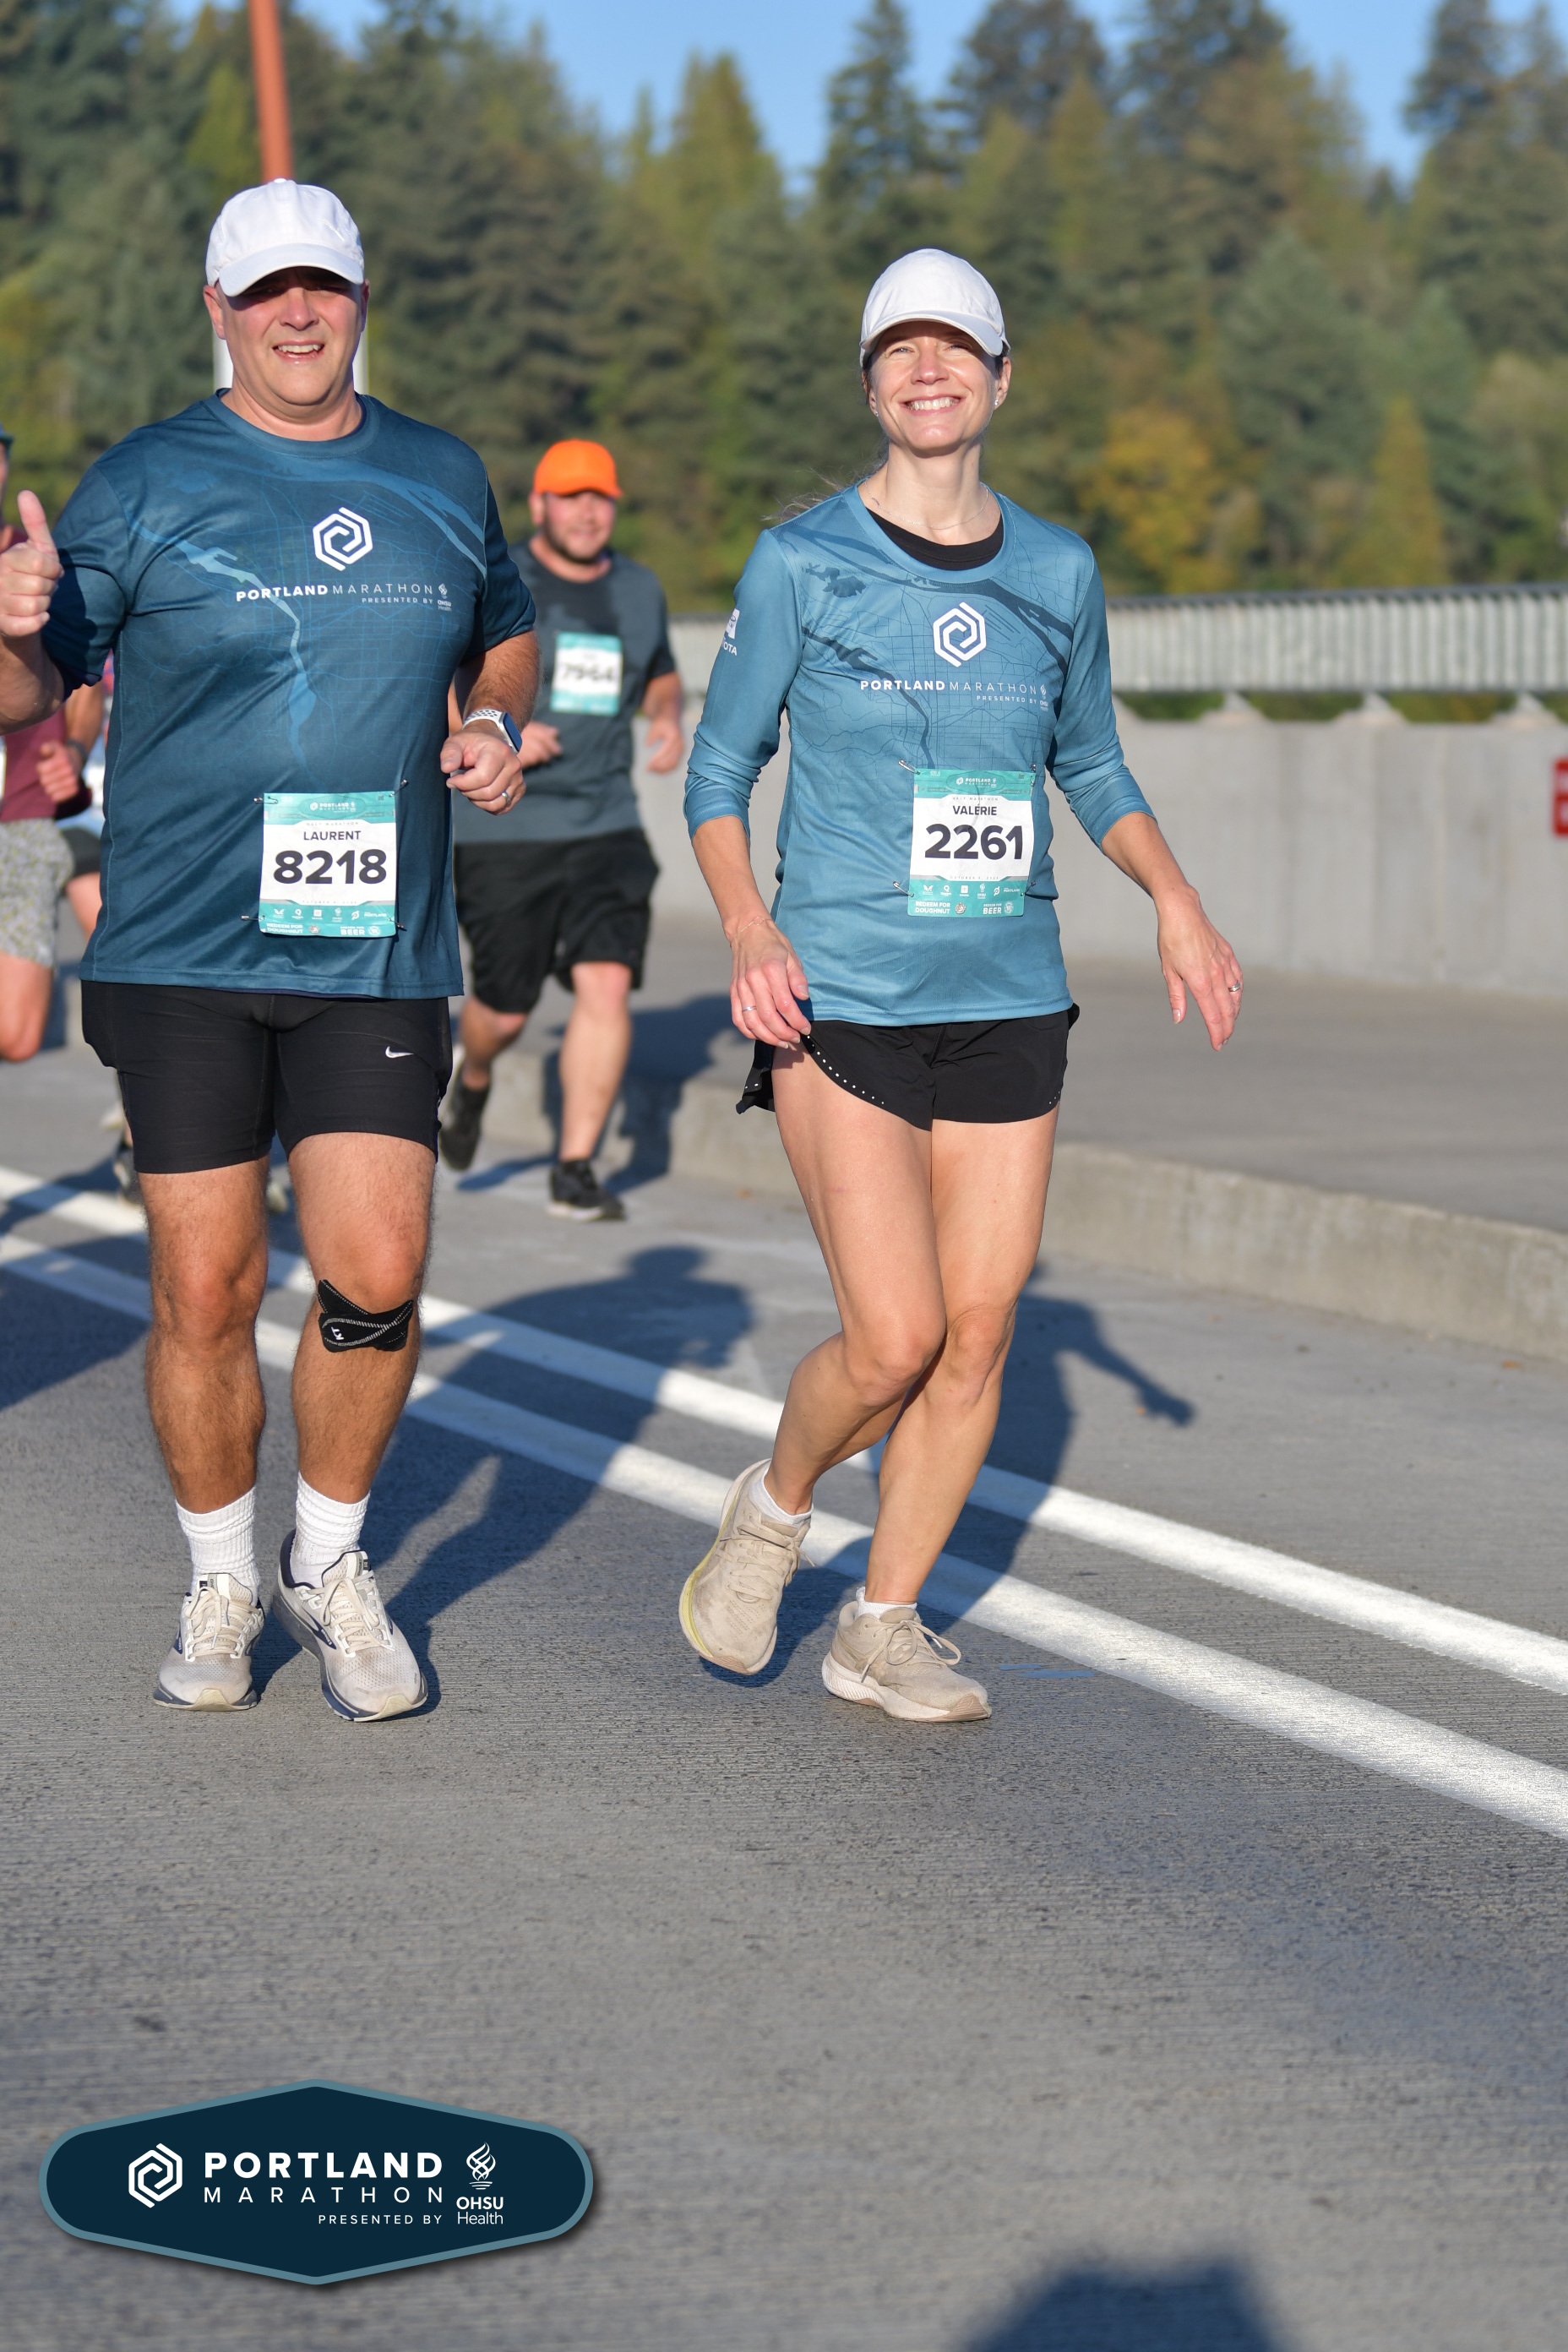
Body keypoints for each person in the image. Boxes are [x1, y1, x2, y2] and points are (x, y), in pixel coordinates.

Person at [677, 249, 1242, 1723]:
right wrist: (748, 929)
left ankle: (882, 1623)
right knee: (895, 1337)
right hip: (843, 996)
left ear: (1000, 375)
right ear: (871, 384)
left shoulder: (1056, 570)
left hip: (1007, 991)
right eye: (899, 350)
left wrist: (1175, 897)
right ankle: (776, 1504)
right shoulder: (800, 561)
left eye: (956, 349)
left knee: (979, 1332)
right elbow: (719, 771)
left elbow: (1091, 759)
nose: (928, 372)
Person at [0, 180, 536, 1718]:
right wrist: (11, 621)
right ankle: (221, 1575)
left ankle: (330, 1559)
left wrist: (497, 719)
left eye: (323, 286)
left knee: (376, 1273)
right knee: (208, 1286)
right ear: (218, 313)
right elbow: (30, 697)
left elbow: (502, 628)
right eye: (263, 291)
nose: (297, 313)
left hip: (374, 945)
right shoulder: (144, 480)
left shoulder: (440, 472)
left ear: (361, 298)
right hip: (180, 946)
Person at [439, 438, 683, 1219]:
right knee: (504, 1012)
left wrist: (667, 716)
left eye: (599, 499)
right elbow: (439, 673)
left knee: (607, 981)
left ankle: (574, 1167)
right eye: (570, 497)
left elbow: (662, 671)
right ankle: (474, 1075)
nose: (586, 513)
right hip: (505, 824)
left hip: (606, 819)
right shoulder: (499, 579)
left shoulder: (639, 589)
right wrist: (493, 727)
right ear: (540, 505)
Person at [0, 422, 106, 1060]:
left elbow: (86, 681)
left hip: (36, 814)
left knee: (17, 1037)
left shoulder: (35, 562)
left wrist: (73, 750)